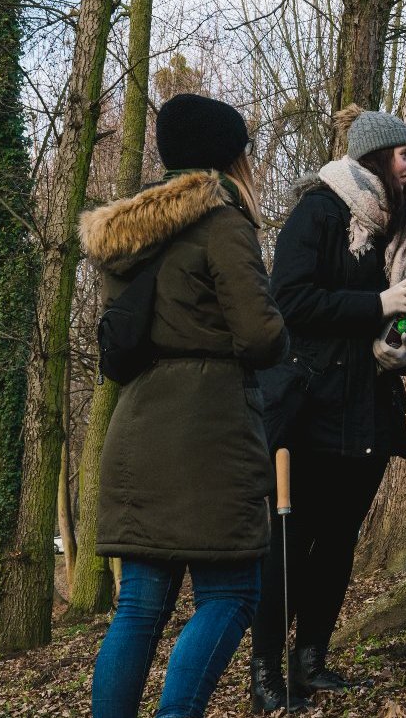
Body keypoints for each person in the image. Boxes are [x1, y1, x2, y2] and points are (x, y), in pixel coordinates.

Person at [84, 93, 290, 718]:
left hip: (139, 423)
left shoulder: (129, 232)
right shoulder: (224, 222)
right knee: (231, 592)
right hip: (210, 434)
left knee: (140, 609)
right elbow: (259, 333)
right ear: (228, 155)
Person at [249, 107, 406, 711]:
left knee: (341, 541)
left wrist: (405, 346)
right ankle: (265, 672)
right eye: (403, 155)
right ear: (377, 156)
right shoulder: (319, 212)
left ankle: (312, 660)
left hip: (370, 410)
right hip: (310, 406)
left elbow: (403, 317)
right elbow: (290, 302)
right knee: (290, 543)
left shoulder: (400, 229)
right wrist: (377, 303)